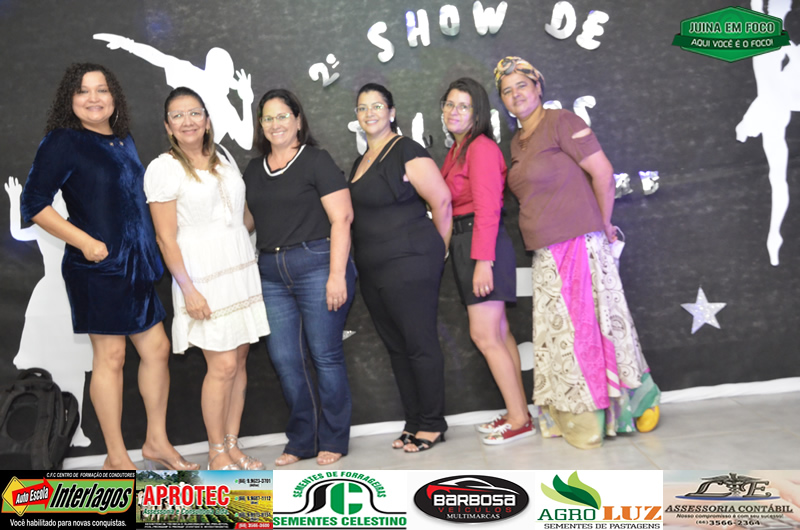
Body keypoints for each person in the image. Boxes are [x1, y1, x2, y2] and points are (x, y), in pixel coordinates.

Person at [20, 63, 197, 470]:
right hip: (96, 268)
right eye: (83, 91)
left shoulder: (123, 140)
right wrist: (85, 243)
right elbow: (34, 204)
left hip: (136, 265)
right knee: (111, 357)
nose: (94, 98)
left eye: (102, 89)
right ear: (70, 99)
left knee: (157, 349)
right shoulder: (63, 141)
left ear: (114, 96)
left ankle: (156, 442)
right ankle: (116, 457)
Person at [494, 56, 661, 449]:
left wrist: (602, 224)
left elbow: (602, 173)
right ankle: (593, 410)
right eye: (507, 91)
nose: (516, 95)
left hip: (578, 245)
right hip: (545, 252)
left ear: (538, 87)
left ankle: (614, 411)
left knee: (589, 331)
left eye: (522, 85)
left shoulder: (562, 121)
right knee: (562, 337)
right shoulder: (516, 142)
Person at [144, 87, 270, 470]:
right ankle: (216, 451)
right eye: (178, 115)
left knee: (240, 361)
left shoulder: (224, 161)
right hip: (202, 280)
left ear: (207, 119)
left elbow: (241, 219)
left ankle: (232, 446)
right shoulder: (163, 169)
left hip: (240, 272)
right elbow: (165, 238)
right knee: (223, 366)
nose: (188, 121)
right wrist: (188, 290)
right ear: (168, 126)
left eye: (195, 112)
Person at [244, 89, 356, 466]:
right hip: (271, 273)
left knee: (325, 355)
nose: (275, 124)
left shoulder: (315, 160)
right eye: (268, 118)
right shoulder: (253, 170)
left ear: (297, 120)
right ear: (261, 124)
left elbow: (342, 218)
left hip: (318, 265)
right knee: (285, 359)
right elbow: (246, 223)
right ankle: (303, 439)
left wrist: (337, 275)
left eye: (282, 116)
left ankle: (334, 439)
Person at [349, 83, 452, 453]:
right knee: (398, 348)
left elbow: (442, 201)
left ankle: (433, 424)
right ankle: (414, 421)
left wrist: (438, 251)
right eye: (363, 107)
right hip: (374, 270)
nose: (370, 113)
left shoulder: (406, 149)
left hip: (409, 262)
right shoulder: (360, 161)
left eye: (377, 106)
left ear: (392, 112)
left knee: (419, 344)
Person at [439, 78, 531, 445]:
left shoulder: (480, 148)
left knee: (484, 334)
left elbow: (489, 208)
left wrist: (483, 261)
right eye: (449, 104)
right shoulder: (457, 150)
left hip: (482, 244)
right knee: (499, 332)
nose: (454, 111)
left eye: (463, 106)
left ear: (477, 113)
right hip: (468, 243)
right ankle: (517, 412)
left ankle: (519, 419)